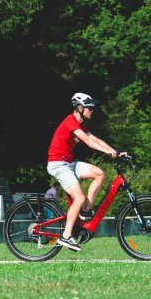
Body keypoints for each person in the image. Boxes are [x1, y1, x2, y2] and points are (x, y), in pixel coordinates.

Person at [47, 92, 125, 251]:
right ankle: (66, 236)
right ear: (80, 108)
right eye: (89, 107)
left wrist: (115, 152)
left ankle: (85, 210)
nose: (92, 110)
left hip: (68, 163)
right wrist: (107, 153)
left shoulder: (81, 124)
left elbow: (95, 139)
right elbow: (88, 141)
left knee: (99, 174)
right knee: (79, 197)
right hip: (58, 164)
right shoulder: (71, 121)